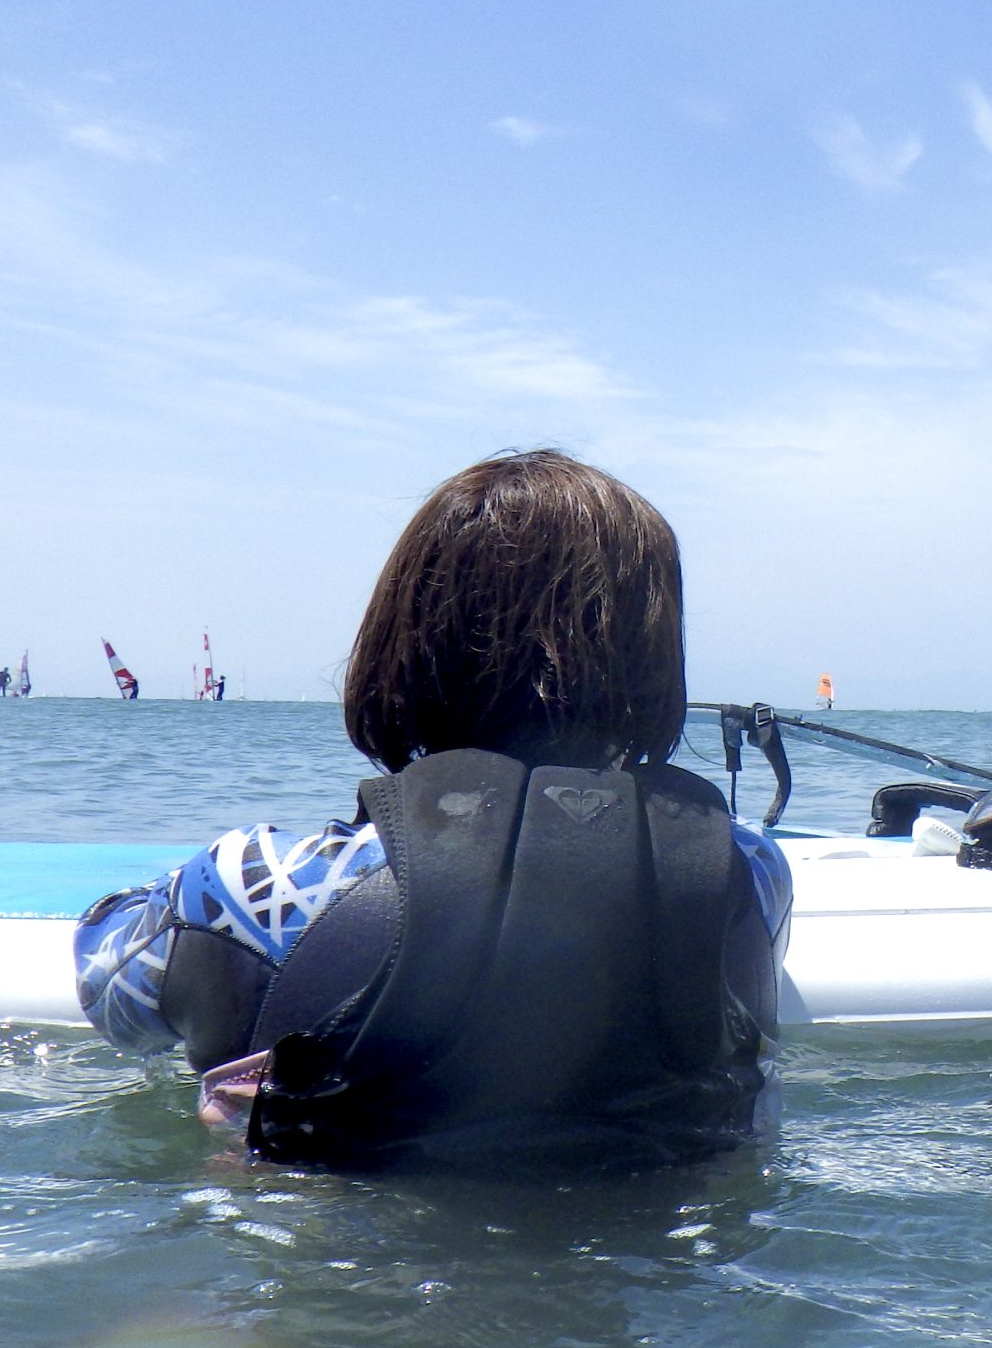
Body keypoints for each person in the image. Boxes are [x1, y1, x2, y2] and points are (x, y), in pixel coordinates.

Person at [74, 449, 791, 1170]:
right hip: (655, 1268)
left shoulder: (254, 887)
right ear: (652, 656)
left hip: (330, 1269)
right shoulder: (749, 876)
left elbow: (107, 990)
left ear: (404, 640)